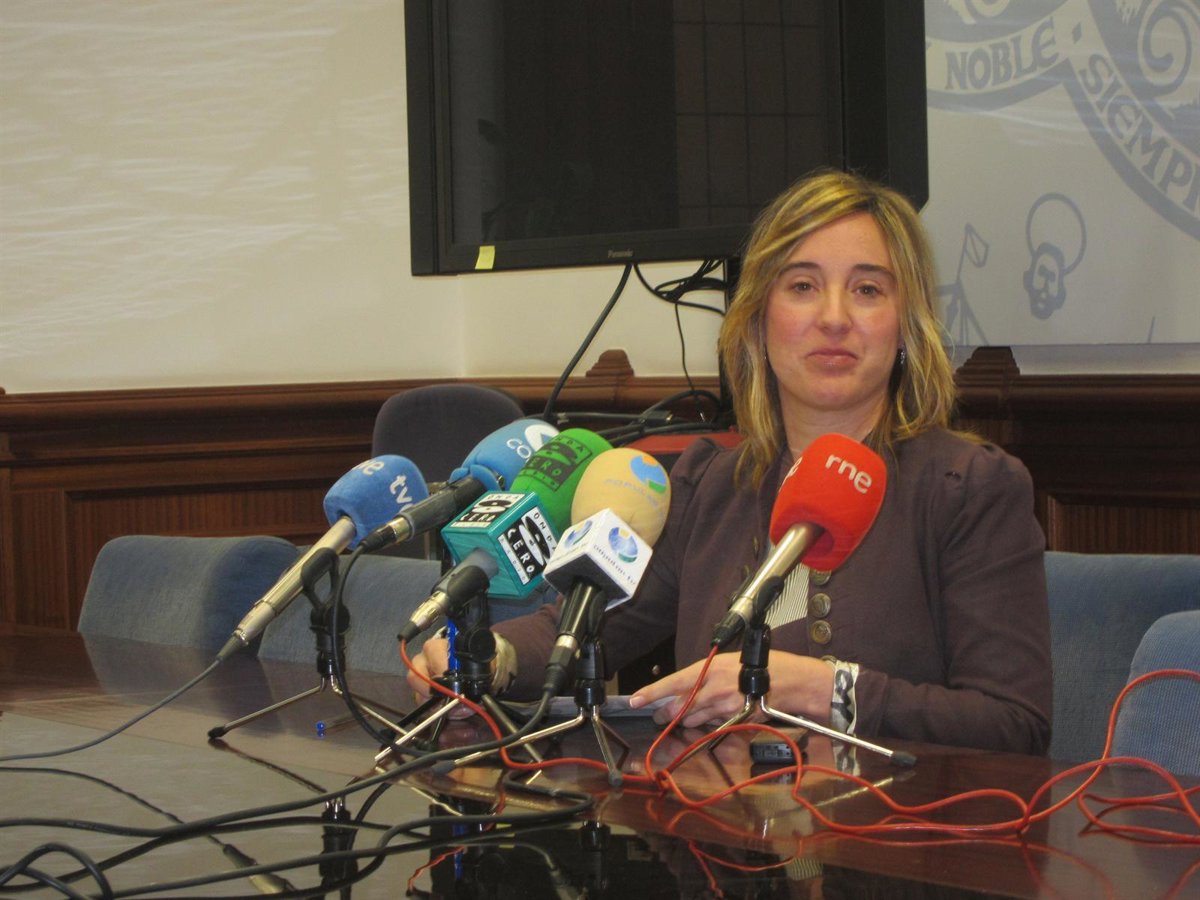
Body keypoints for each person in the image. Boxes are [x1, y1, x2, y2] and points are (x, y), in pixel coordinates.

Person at [407, 169, 1052, 755]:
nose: (834, 318)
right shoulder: (711, 484)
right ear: (758, 320)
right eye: (802, 286)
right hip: (721, 830)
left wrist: (820, 689)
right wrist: (483, 658)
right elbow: (584, 629)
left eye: (867, 289)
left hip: (894, 835)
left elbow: (1014, 724)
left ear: (906, 323)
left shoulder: (969, 487)